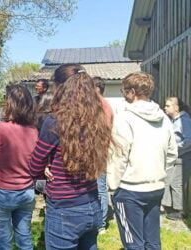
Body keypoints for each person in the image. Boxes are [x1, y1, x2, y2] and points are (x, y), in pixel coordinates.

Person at [30, 71, 112, 250]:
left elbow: (34, 165)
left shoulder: (54, 122)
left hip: (64, 209)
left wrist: (43, 169)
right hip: (92, 204)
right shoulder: (97, 121)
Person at [107, 72, 177, 249]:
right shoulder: (163, 118)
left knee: (133, 243)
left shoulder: (124, 118)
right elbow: (172, 153)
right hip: (156, 187)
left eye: (124, 91)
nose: (123, 95)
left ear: (131, 92)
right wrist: (158, 173)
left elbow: (119, 156)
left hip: (130, 189)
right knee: (152, 241)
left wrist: (113, 186)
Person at [0, 85, 38, 250]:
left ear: (9, 104)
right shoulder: (33, 131)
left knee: (2, 243)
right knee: (25, 239)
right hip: (27, 191)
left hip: (2, 191)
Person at [162, 97, 191, 220]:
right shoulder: (173, 120)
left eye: (168, 106)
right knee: (170, 181)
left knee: (177, 184)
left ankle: (180, 211)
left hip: (183, 157)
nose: (165, 108)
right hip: (176, 157)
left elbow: (188, 141)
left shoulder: (184, 121)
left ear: (176, 108)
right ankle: (170, 207)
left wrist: (175, 148)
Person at [93, 76, 113, 234]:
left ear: (97, 88)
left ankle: (100, 224)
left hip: (98, 152)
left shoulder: (101, 106)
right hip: (99, 151)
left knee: (100, 188)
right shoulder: (104, 105)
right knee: (98, 188)